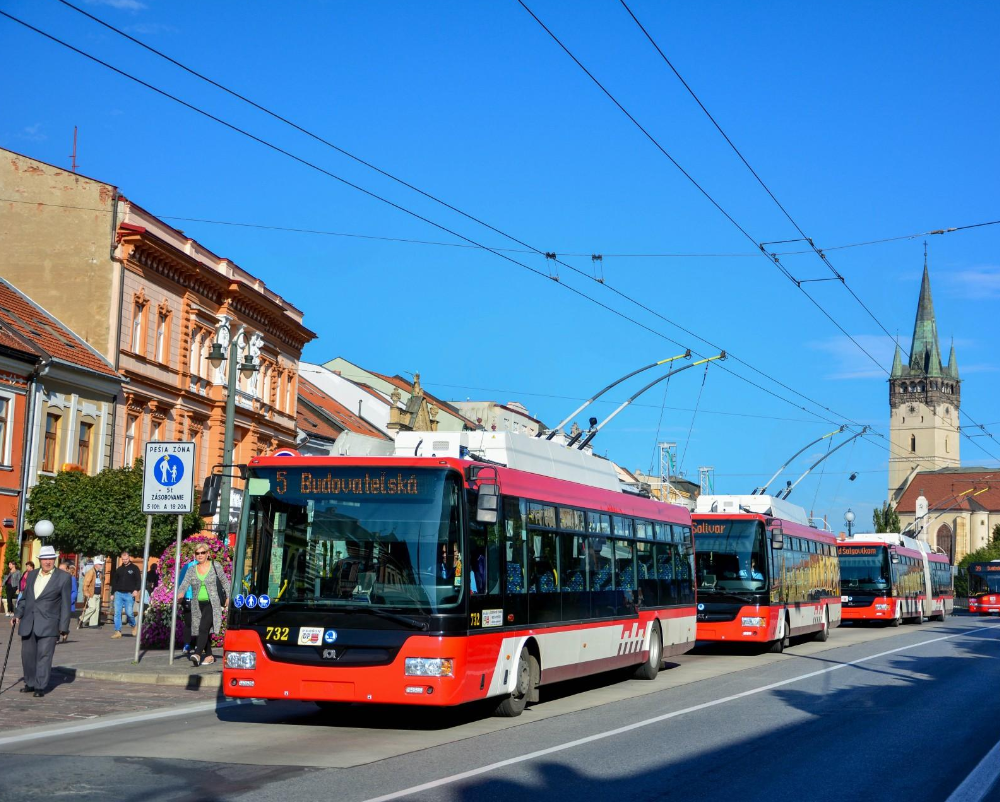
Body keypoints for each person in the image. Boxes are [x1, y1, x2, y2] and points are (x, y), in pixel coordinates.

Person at [11, 545, 71, 697]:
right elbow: (24, 598)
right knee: (28, 656)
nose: (47, 562)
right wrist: (17, 614)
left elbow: (65, 604)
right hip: (29, 622)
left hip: (49, 623)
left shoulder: (63, 577)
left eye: (50, 558)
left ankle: (40, 686)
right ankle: (30, 682)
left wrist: (63, 627)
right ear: (39, 560)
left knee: (44, 656)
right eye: (45, 559)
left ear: (54, 560)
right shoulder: (31, 575)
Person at [175, 545, 226, 666]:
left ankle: (197, 654)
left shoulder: (215, 566)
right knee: (203, 630)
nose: (200, 555)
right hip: (197, 604)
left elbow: (225, 581)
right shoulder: (192, 569)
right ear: (195, 555)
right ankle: (209, 655)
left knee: (203, 627)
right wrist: (180, 593)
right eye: (197, 553)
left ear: (208, 553)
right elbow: (185, 583)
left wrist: (228, 596)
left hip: (212, 603)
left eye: (203, 553)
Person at [110, 550, 141, 638]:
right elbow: (115, 582)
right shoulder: (119, 569)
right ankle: (117, 631)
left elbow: (138, 580)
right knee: (117, 613)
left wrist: (136, 590)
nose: (125, 561)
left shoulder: (134, 568)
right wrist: (112, 593)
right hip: (119, 594)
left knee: (129, 613)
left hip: (129, 594)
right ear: (121, 559)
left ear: (129, 558)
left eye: (126, 559)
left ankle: (134, 626)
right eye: (123, 559)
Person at [78, 557, 103, 628]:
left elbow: (101, 583)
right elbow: (86, 583)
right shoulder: (91, 572)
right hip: (91, 593)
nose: (101, 566)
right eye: (100, 564)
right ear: (96, 565)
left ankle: (93, 624)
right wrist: (85, 592)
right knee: (92, 608)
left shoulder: (99, 573)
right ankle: (81, 618)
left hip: (97, 593)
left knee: (96, 609)